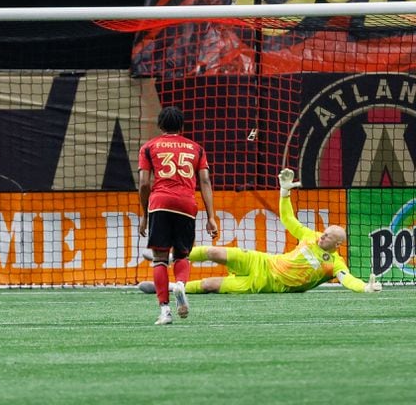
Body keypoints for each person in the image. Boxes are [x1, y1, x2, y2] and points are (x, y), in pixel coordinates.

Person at [138, 169, 383, 295]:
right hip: (262, 261)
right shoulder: (311, 236)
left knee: (210, 285)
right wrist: (284, 192)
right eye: (325, 232)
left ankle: (167, 289)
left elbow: (347, 280)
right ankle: (169, 257)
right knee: (215, 251)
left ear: (337, 245)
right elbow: (288, 218)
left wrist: (365, 288)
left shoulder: (334, 265)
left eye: (329, 236)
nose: (323, 235)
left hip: (263, 284)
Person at [138, 105, 218, 325]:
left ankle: (165, 311)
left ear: (160, 125)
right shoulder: (196, 148)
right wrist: (211, 217)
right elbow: (205, 182)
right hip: (186, 204)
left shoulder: (149, 147)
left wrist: (145, 213)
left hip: (160, 203)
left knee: (160, 259)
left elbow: (145, 183)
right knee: (182, 255)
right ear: (182, 126)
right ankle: (181, 284)